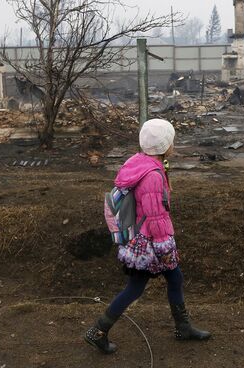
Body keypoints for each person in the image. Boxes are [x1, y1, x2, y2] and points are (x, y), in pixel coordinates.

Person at [85, 119, 211, 354]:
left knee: (170, 280)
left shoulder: (138, 162)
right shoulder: (152, 175)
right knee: (139, 287)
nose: (173, 143)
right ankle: (98, 330)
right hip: (150, 244)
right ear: (164, 145)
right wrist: (165, 249)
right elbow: (156, 217)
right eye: (171, 139)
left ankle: (182, 327)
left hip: (139, 238)